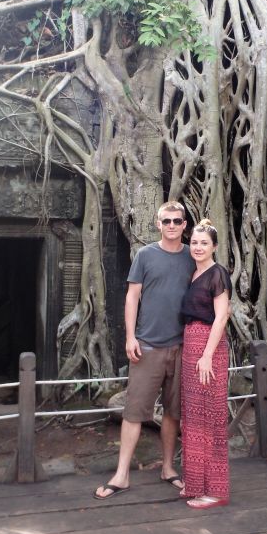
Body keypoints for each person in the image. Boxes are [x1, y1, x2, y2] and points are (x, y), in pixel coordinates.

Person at [94, 201, 196, 499]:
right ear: (157, 224)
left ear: (185, 224)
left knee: (173, 413)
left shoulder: (193, 255)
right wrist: (130, 336)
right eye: (167, 221)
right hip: (148, 345)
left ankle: (168, 467)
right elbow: (132, 296)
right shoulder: (145, 255)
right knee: (135, 411)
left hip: (182, 347)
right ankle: (122, 474)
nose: (172, 226)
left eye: (177, 221)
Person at [179, 219, 232, 510]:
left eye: (204, 243)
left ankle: (216, 490)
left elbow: (222, 316)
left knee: (209, 417)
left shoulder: (217, 273)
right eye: (195, 243)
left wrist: (208, 355)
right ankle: (195, 484)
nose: (198, 247)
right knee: (193, 416)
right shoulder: (193, 272)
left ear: (214, 246)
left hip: (207, 348)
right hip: (191, 344)